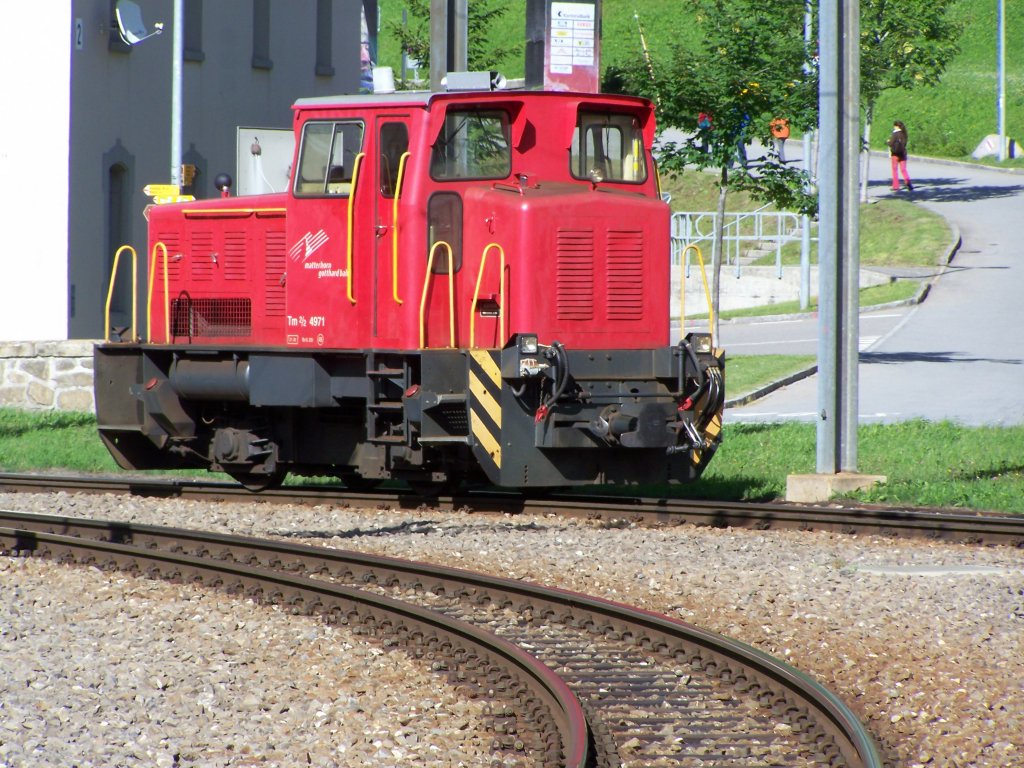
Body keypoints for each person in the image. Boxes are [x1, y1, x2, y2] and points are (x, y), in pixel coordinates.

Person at [887, 120, 913, 191]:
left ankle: (896, 186)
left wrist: (888, 142)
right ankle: (908, 183)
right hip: (903, 153)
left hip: (895, 154)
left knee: (895, 170)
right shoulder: (904, 134)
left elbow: (891, 143)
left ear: (896, 126)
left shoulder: (895, 134)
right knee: (903, 169)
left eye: (894, 126)